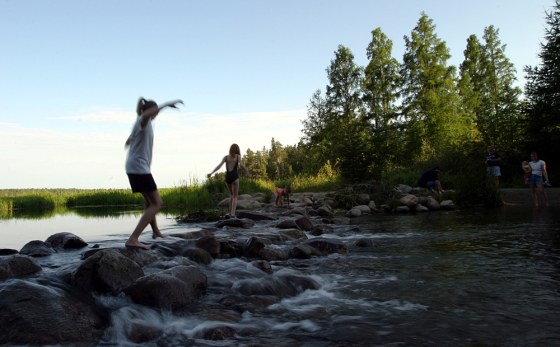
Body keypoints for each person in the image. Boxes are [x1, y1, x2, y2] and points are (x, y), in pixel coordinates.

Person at [124, 97, 183, 249]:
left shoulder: (143, 123)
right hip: (138, 168)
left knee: (149, 202)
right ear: (146, 110)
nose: (156, 114)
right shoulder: (143, 120)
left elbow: (132, 138)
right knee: (157, 203)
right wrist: (166, 105)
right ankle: (133, 239)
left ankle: (156, 231)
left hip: (136, 167)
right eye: (154, 111)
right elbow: (144, 116)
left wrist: (129, 141)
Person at [207, 144, 249, 218]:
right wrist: (247, 171)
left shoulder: (226, 158)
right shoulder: (238, 157)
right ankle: (233, 214)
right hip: (235, 177)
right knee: (235, 196)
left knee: (231, 195)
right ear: (237, 150)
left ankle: (229, 213)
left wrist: (211, 173)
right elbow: (242, 165)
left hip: (228, 178)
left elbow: (219, 166)